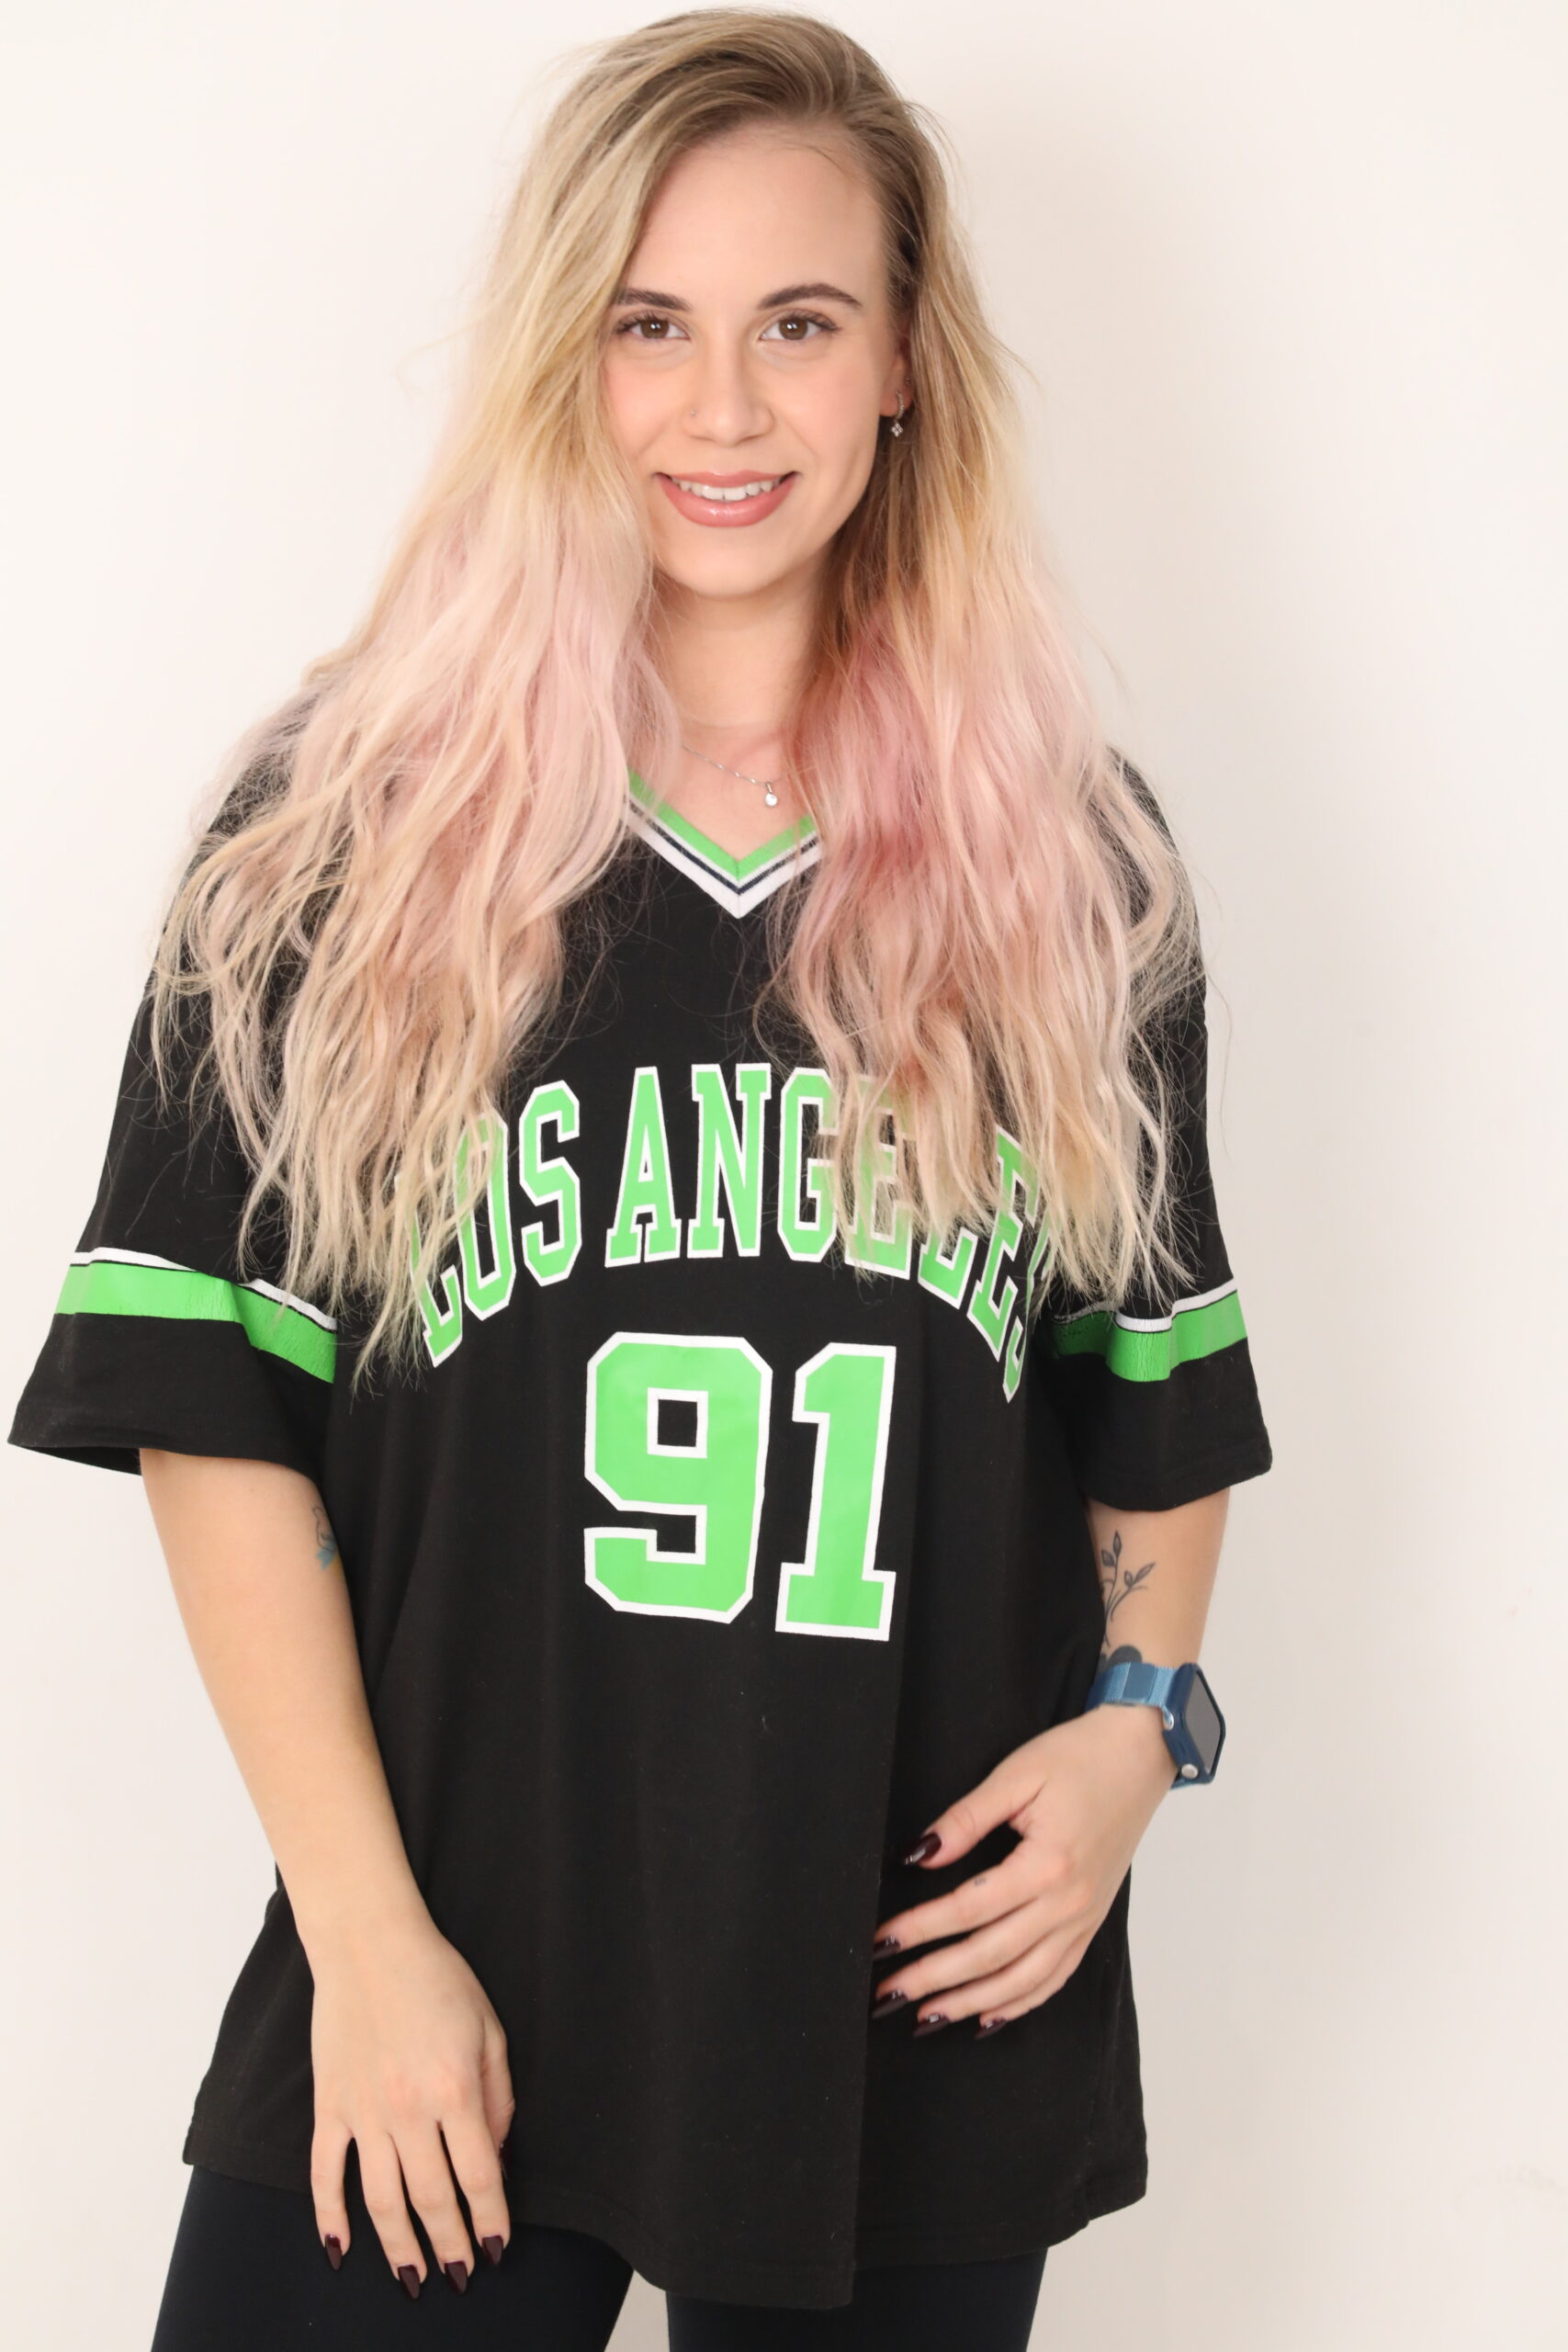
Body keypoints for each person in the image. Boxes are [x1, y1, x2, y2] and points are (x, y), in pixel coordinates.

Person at [8, 12, 1273, 2347]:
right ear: (559, 360)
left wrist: (1136, 1730)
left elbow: (1154, 1401)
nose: (722, 408)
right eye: (647, 324)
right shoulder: (343, 837)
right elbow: (211, 1422)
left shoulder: (1067, 874)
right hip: (447, 1976)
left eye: (796, 322)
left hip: (905, 1981)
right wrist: (366, 1938)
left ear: (900, 363)